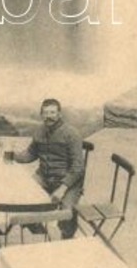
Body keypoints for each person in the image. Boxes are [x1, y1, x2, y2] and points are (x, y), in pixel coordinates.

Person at [8, 99, 84, 240]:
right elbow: (30, 154)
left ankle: (67, 238)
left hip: (68, 182)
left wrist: (62, 189)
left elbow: (78, 168)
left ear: (59, 114)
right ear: (41, 114)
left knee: (66, 211)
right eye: (45, 113)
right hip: (44, 177)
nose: (49, 116)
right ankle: (38, 228)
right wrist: (13, 155)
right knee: (24, 192)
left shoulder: (72, 134)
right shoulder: (39, 131)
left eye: (52, 113)